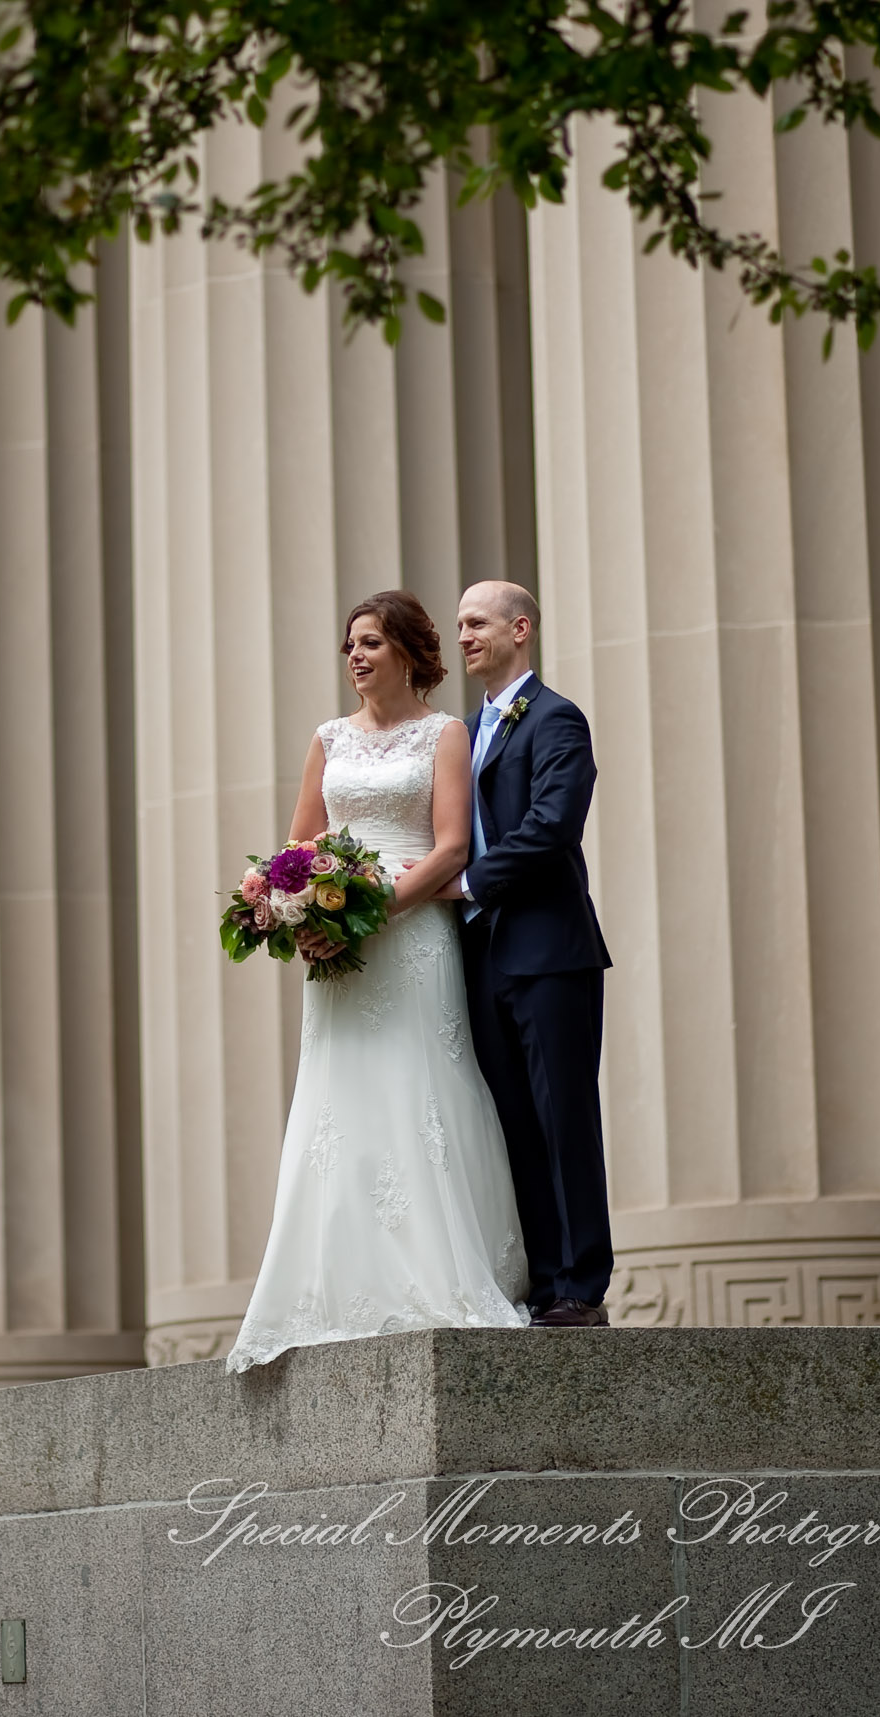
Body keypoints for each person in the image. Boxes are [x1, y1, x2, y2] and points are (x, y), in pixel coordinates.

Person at [226, 590, 529, 1373]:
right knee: (340, 1099)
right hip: (337, 945)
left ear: (405, 651)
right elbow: (298, 844)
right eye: (349, 644)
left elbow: (454, 847)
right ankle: (337, 1278)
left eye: (369, 642)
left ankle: (439, 1271)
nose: (355, 656)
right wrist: (296, 907)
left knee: (420, 1088)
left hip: (412, 934)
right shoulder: (327, 739)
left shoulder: (445, 733)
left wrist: (377, 910)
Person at [434, 581, 614, 1330]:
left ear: (521, 627)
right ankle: (544, 1282)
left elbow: (551, 826)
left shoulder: (557, 719)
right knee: (511, 1118)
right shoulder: (464, 729)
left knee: (561, 1112)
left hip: (549, 952)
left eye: (477, 622)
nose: (464, 635)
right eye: (460, 625)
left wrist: (469, 880)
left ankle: (582, 1283)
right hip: (482, 955)